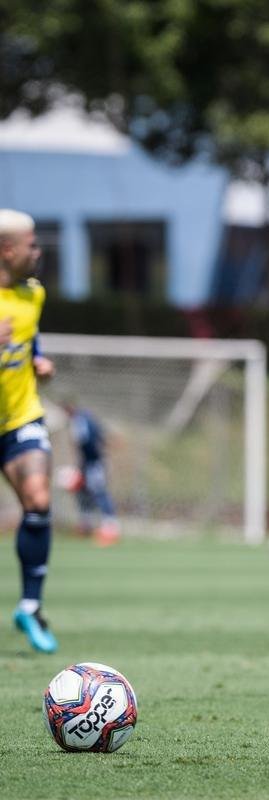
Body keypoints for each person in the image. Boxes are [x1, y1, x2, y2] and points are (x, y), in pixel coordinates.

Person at [0, 209, 59, 653]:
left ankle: (30, 606)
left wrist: (38, 359)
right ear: (8, 250)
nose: (38, 252)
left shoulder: (32, 294)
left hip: (19, 417)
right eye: (32, 245)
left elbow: (30, 335)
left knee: (38, 501)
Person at [59, 400, 121, 546]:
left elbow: (86, 443)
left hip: (94, 463)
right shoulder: (84, 419)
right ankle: (86, 525)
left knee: (99, 492)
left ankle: (110, 527)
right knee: (83, 493)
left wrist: (86, 464)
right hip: (88, 464)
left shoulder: (81, 420)